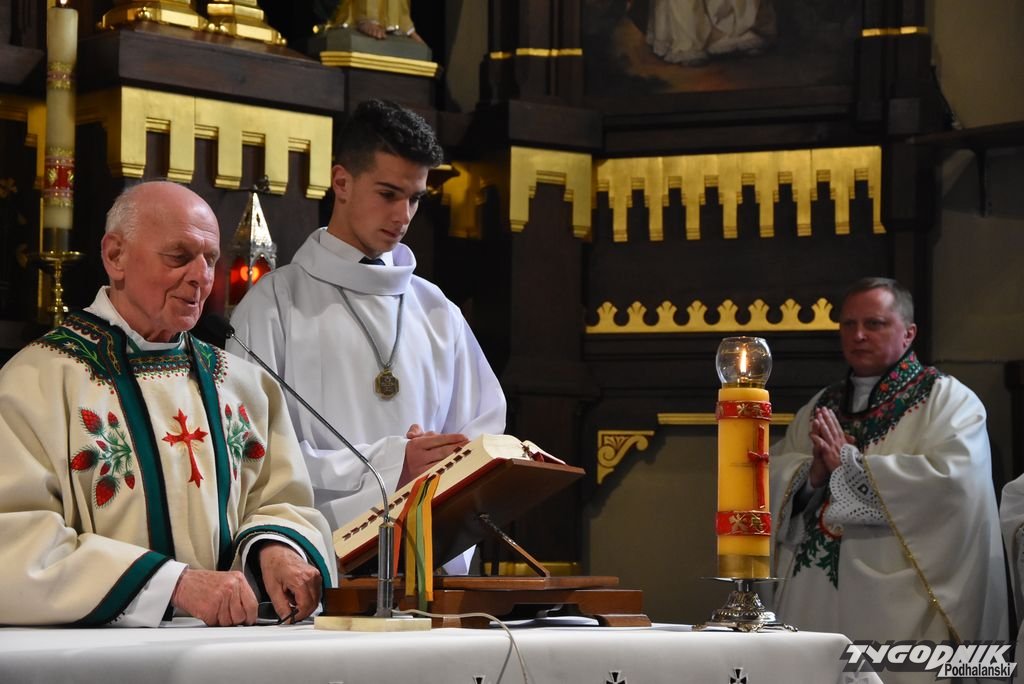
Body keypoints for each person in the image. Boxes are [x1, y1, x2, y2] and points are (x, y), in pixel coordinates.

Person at [0, 181, 337, 627]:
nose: (201, 277)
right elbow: (15, 543)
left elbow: (281, 500)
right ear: (115, 256)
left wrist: (277, 549)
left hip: (236, 646)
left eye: (210, 259)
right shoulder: (36, 381)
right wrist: (174, 584)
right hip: (99, 654)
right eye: (179, 256)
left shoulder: (242, 384)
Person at [228, 100, 506, 546]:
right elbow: (252, 452)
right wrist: (395, 462)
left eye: (415, 199)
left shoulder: (437, 311)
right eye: (388, 194)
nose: (403, 216)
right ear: (342, 182)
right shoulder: (273, 306)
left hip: (424, 556)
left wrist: (442, 459)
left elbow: (481, 435)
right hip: (316, 553)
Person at [769, 277, 1007, 674]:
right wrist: (811, 474)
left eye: (874, 324)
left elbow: (953, 487)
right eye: (848, 324)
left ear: (908, 333)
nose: (858, 335)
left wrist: (850, 466)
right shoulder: (821, 405)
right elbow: (775, 476)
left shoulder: (949, 402)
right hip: (813, 599)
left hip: (901, 606)